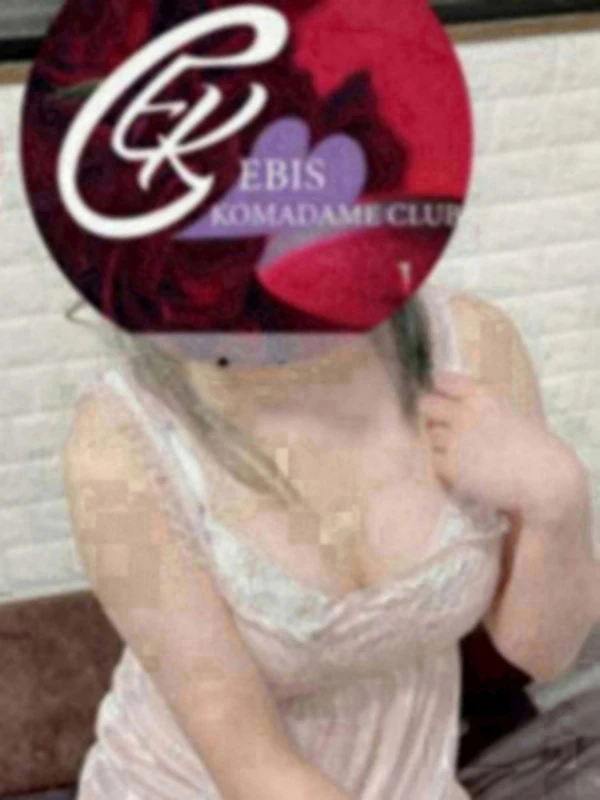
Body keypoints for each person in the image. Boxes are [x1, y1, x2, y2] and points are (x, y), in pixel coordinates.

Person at [62, 280, 598, 799]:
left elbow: (543, 655)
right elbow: (251, 767)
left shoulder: (468, 345)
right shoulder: (119, 441)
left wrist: (558, 498)